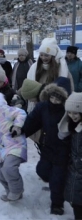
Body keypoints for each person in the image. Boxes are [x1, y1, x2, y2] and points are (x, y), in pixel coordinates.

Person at [22, 77, 71, 216]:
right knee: (42, 171)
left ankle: (57, 204)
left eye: (59, 97)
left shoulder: (68, 110)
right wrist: (22, 131)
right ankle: (60, 183)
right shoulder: (43, 107)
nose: (55, 100)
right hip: (47, 146)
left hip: (63, 150)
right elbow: (32, 121)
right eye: (53, 96)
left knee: (57, 179)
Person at [58, 92, 82, 220]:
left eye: (76, 113)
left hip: (78, 171)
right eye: (69, 112)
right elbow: (61, 134)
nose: (72, 116)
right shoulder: (73, 126)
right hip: (75, 172)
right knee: (76, 204)